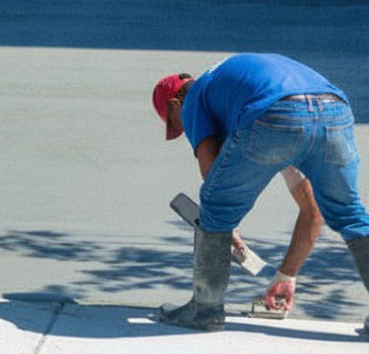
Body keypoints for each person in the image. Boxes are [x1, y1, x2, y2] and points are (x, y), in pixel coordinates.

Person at [152, 53, 369, 333]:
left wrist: (222, 224)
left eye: (176, 124)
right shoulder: (239, 92)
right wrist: (286, 275)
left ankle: (204, 310)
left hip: (275, 114)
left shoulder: (195, 97)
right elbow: (312, 209)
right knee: (349, 214)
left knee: (215, 206)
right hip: (334, 110)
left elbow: (213, 182)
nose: (185, 131)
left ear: (174, 104)